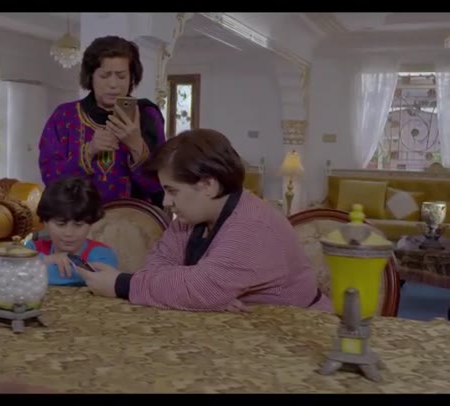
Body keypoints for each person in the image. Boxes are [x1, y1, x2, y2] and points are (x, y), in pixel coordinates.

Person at [75, 129, 333, 313]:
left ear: (208, 185)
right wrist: (207, 295)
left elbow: (200, 288)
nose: (166, 201)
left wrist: (122, 284)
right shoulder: (191, 217)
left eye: (172, 191)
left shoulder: (252, 226)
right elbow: (157, 265)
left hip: (295, 328)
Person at [37, 35, 166, 209]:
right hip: (79, 220)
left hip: (134, 220)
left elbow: (160, 187)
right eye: (104, 76)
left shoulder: (147, 115)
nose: (113, 84)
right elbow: (50, 179)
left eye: (121, 76)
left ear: (132, 78)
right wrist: (89, 151)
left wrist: (136, 145)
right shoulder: (64, 116)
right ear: (91, 77)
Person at [25, 176, 119, 286]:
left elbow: (92, 277)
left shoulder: (103, 254)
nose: (69, 233)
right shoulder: (32, 248)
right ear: (45, 222)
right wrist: (48, 259)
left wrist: (35, 265)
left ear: (91, 224)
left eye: (79, 225)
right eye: (61, 224)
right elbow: (11, 269)